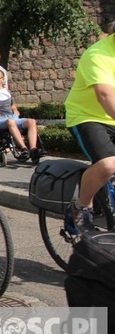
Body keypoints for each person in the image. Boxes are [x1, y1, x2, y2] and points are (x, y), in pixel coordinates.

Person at [65, 32, 115, 233]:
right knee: (109, 164)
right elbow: (105, 94)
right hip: (88, 117)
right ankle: (80, 207)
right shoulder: (98, 54)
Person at [0, 69, 43, 163]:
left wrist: (16, 110)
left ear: (2, 79)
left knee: (31, 121)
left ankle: (33, 149)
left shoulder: (7, 92)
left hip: (12, 117)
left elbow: (13, 106)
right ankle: (24, 148)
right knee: (10, 122)